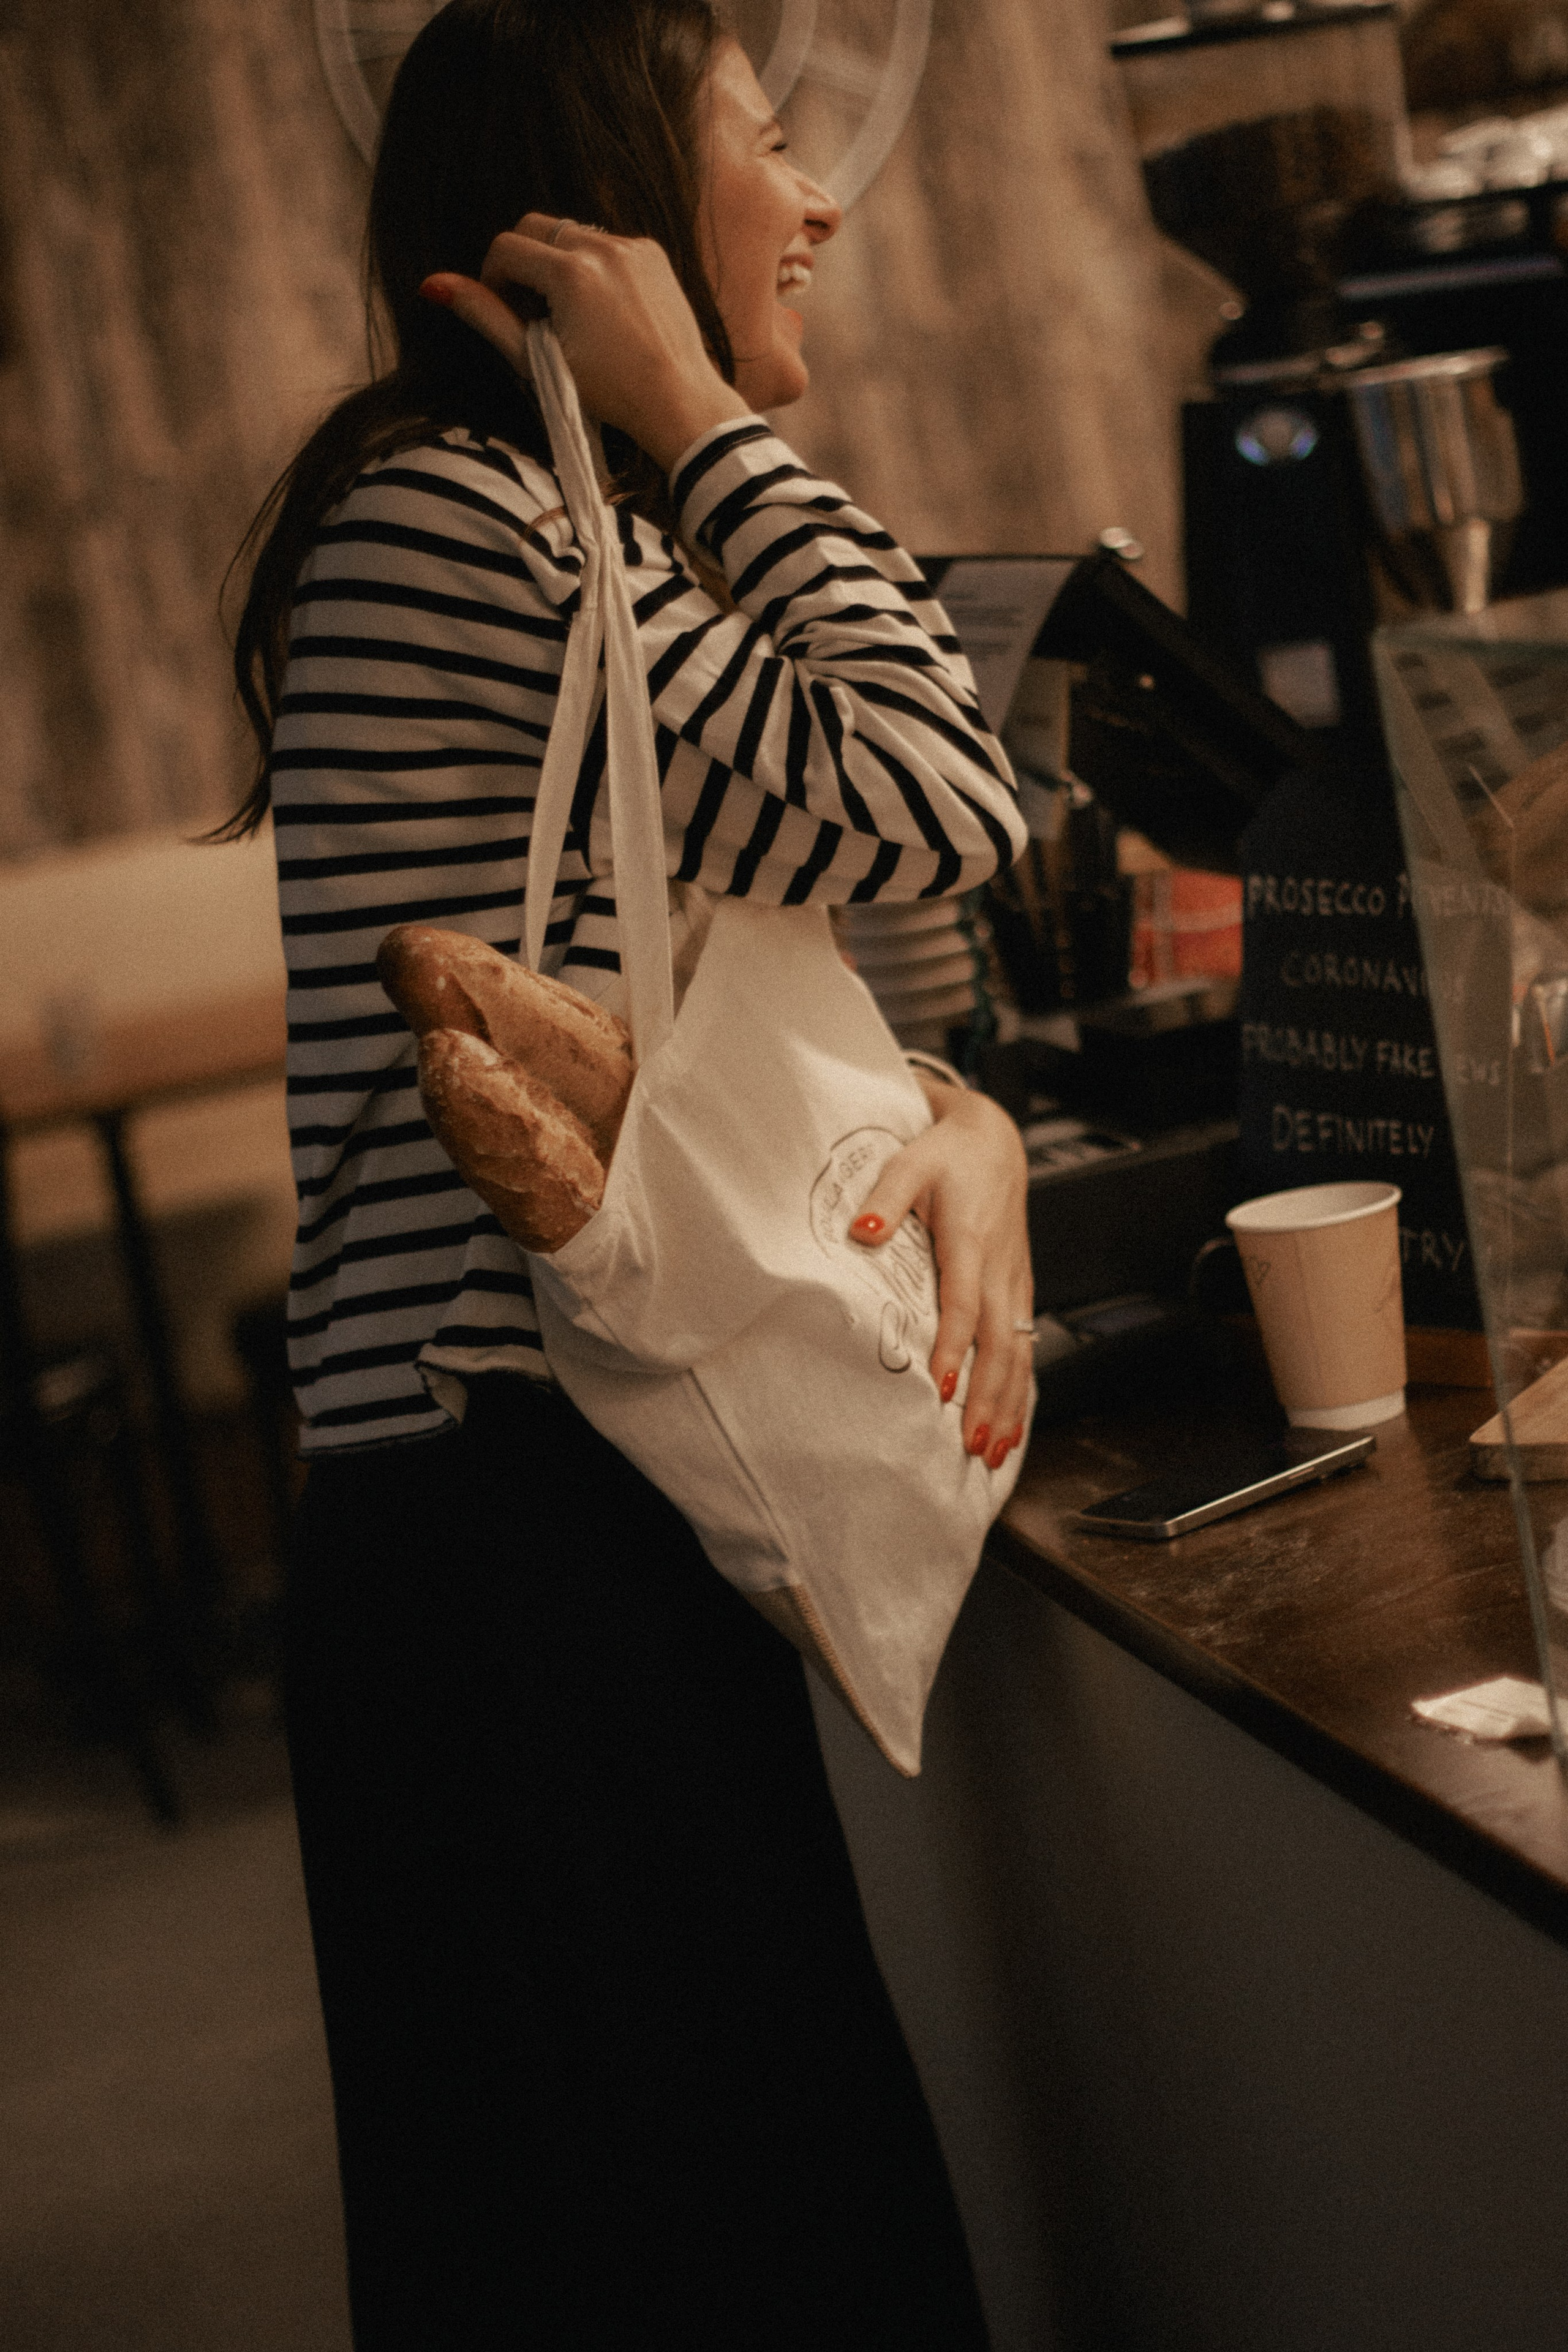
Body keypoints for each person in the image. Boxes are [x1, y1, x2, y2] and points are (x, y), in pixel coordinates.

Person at [229, 2, 1033, 2343]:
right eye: (763, 146)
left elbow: (873, 927)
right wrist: (692, 412)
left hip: (552, 1534)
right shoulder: (454, 524)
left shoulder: (551, 531)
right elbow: (940, 792)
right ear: (604, 229)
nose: (819, 199)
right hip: (500, 1570)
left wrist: (965, 1124)